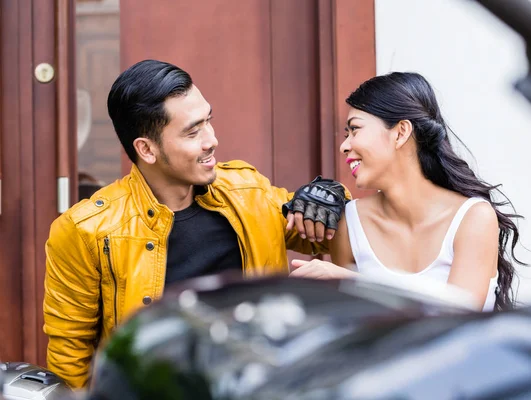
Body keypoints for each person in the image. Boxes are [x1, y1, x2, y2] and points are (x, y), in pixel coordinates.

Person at [43, 59, 348, 389]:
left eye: (208, 121)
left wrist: (330, 199)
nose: (211, 140)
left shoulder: (248, 194)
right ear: (146, 149)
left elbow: (330, 237)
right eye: (192, 131)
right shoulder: (86, 230)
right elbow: (69, 359)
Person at [290, 72, 522, 312]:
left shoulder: (473, 218)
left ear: (400, 133)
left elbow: (456, 319)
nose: (344, 145)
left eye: (355, 130)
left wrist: (352, 282)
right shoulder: (349, 223)